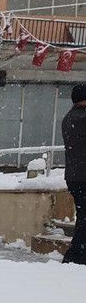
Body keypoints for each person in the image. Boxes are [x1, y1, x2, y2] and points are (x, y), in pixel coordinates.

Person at [61, 84, 86, 265]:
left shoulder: (69, 117)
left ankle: (77, 256)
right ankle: (74, 257)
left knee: (83, 217)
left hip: (75, 176)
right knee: (84, 220)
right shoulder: (82, 118)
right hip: (83, 177)